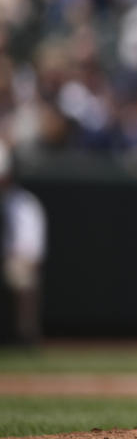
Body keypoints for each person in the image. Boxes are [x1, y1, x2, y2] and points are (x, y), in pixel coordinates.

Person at [0, 142, 47, 346]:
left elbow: (31, 251)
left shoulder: (24, 203)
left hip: (12, 259)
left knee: (22, 273)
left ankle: (25, 336)